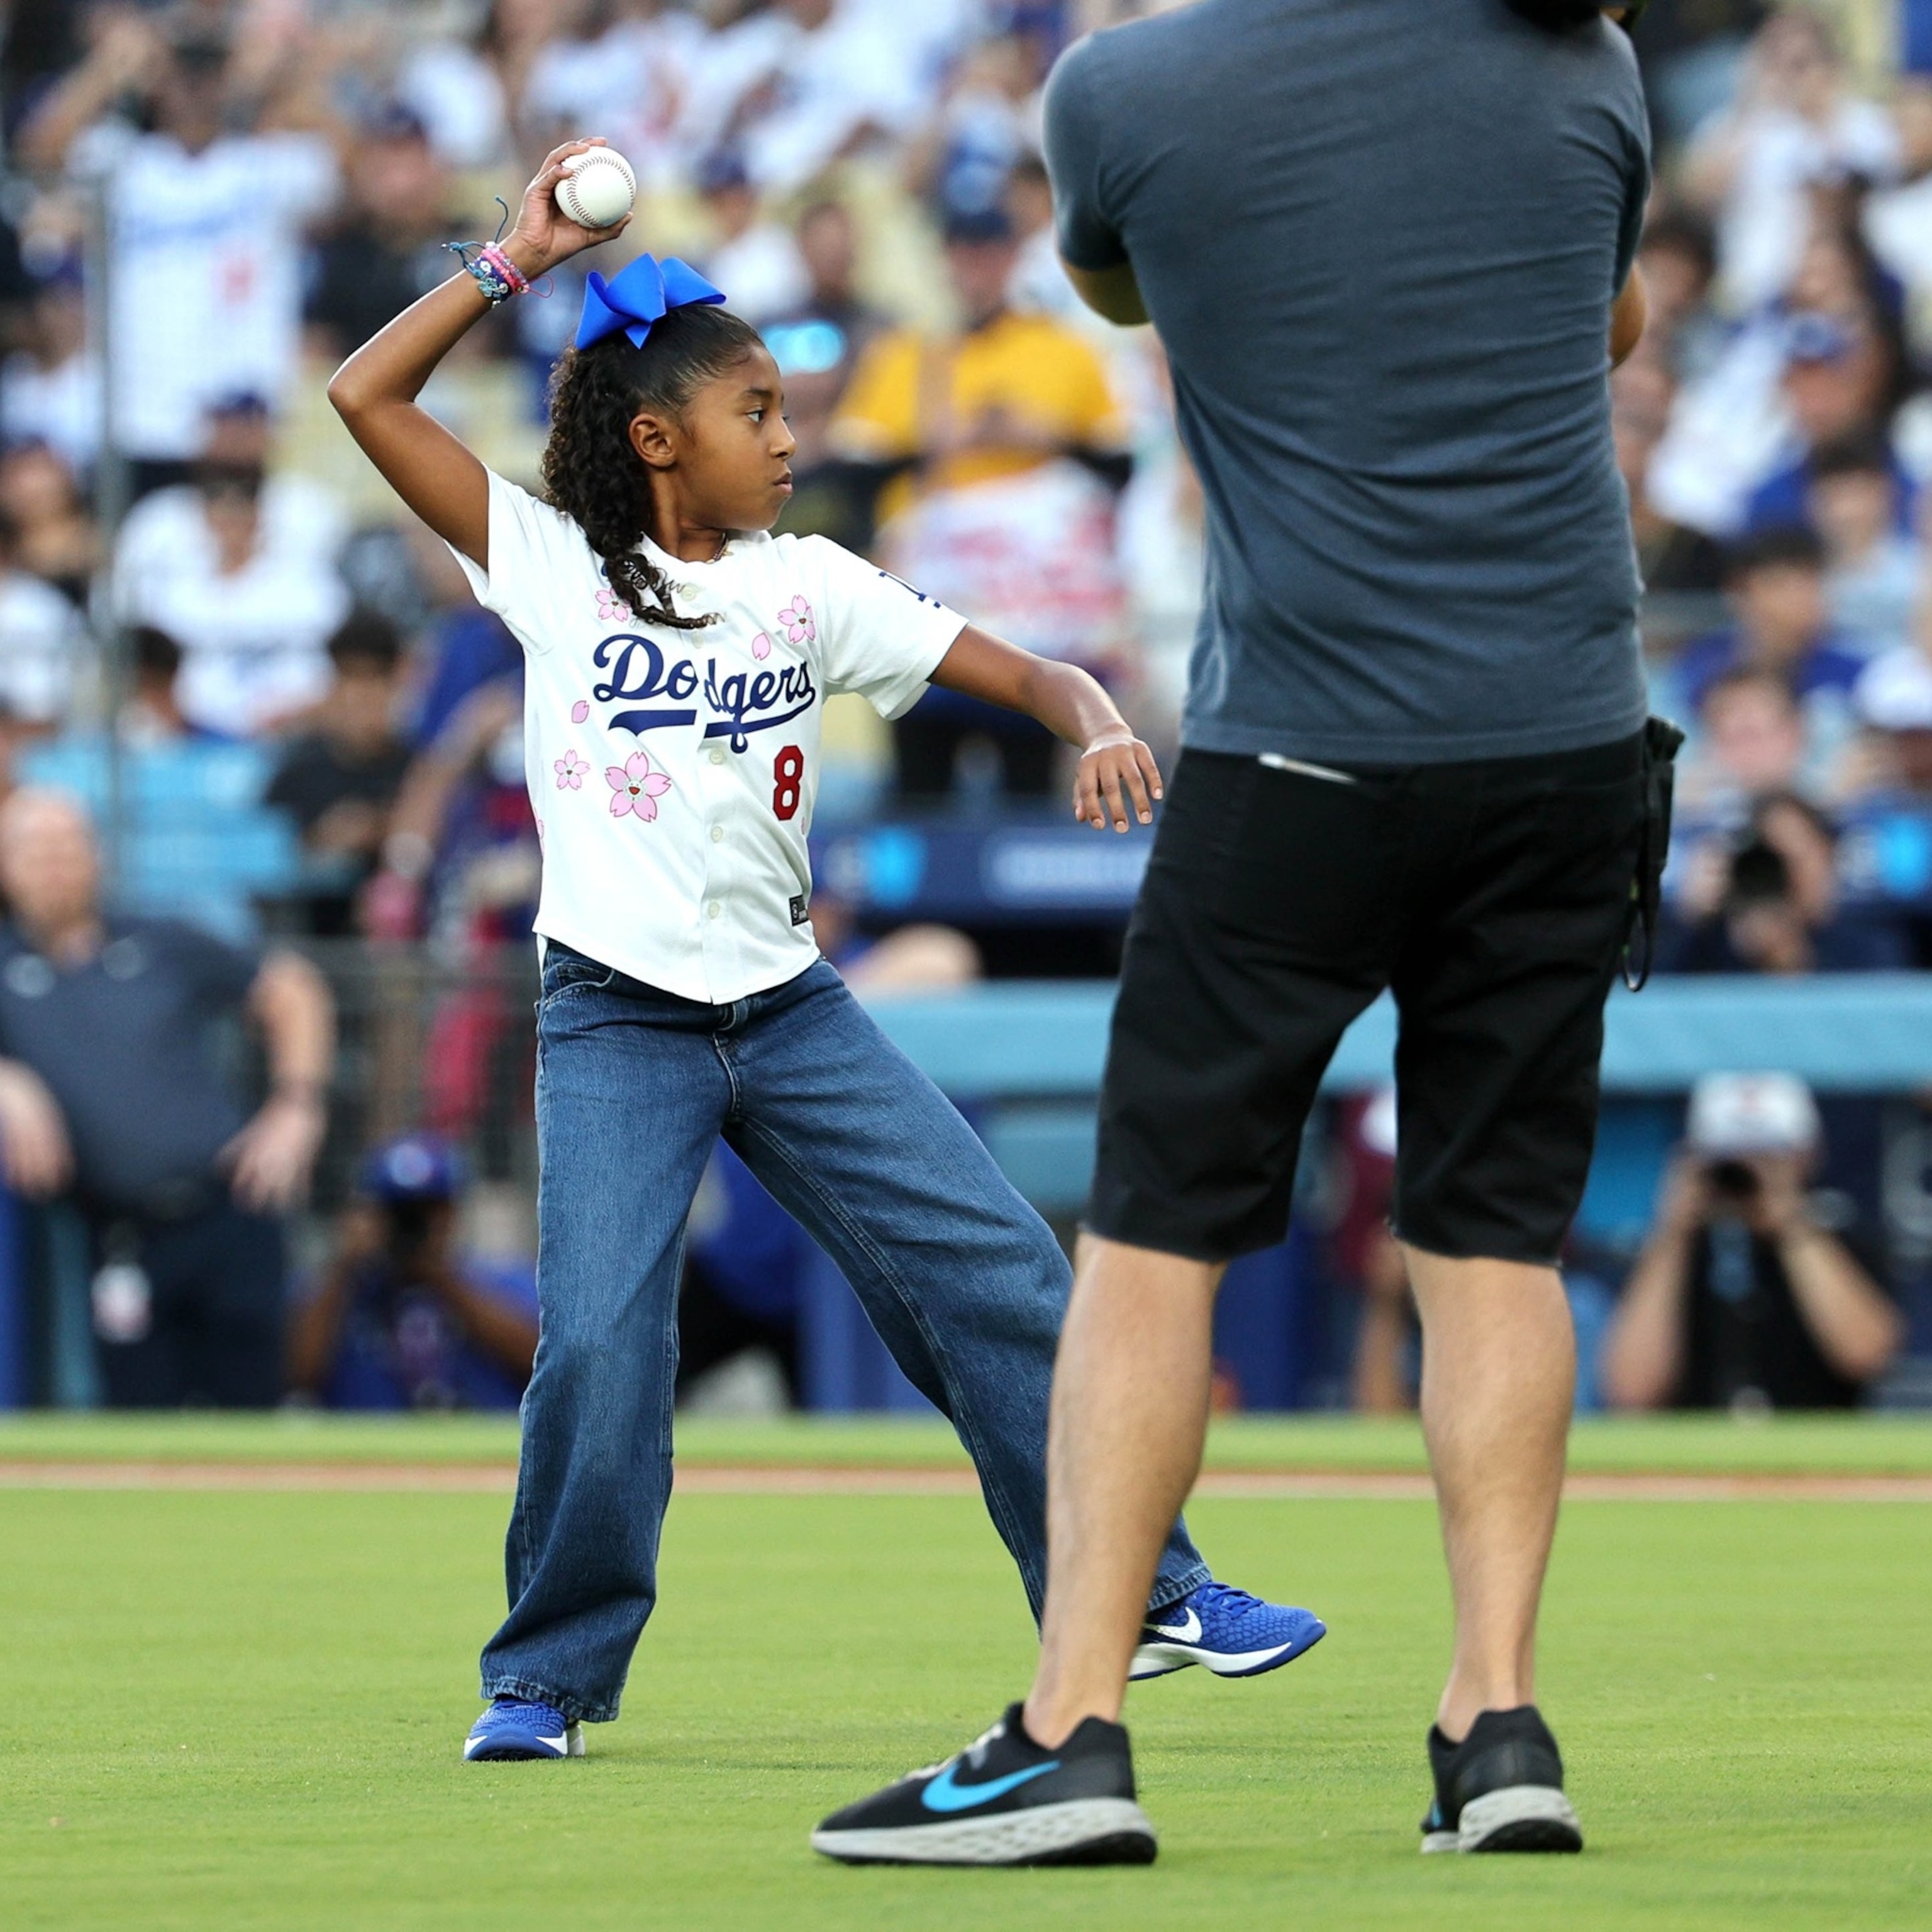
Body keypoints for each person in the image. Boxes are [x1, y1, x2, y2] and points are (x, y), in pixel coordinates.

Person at [326, 136, 1319, 1767]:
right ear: (658, 440)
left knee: (1001, 1275)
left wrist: (1092, 715)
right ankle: (548, 1676)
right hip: (617, 1019)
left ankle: (1151, 1590)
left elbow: (1033, 671)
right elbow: (370, 403)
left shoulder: (808, 587)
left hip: (789, 1012)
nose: (792, 437)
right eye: (759, 414)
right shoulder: (554, 566)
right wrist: (511, 263)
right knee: (598, 1340)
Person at [823, 0, 1657, 1868]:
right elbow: (1600, 328)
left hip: (1309, 744)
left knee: (1154, 1236)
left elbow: (1125, 296)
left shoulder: (1126, 87)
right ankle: (1494, 1722)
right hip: (1568, 740)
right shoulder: (1581, 61)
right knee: (1488, 1237)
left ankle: (1070, 1733)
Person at [0, 790, 333, 1408]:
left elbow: (291, 987)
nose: (54, 864)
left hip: (230, 1201)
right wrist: (8, 1081)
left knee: (252, 1407)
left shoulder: (158, 940)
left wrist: (297, 1105)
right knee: (139, 1417)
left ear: (97, 857)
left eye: (67, 846)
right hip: (117, 1232)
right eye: (34, 849)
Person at [834, 204, 1133, 799]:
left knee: (1026, 781)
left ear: (1008, 259)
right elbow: (851, 476)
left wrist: (1049, 439)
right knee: (921, 784)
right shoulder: (908, 356)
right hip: (935, 597)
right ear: (945, 260)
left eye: (988, 253)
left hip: (1033, 610)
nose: (975, 268)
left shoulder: (1062, 350)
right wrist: (935, 448)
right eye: (962, 253)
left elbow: (1120, 466)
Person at [1601, 1074, 1902, 1411]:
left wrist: (1793, 1227)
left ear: (1808, 1154)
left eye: (1771, 1153)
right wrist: (1672, 1234)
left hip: (1814, 1452)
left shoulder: (1845, 1240)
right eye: (1729, 1153)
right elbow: (1630, 1392)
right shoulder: (1673, 1252)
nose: (1748, 1169)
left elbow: (1867, 1357)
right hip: (1695, 1456)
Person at [288, 1135, 539, 1411]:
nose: (413, 1225)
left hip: (476, 1449)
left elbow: (543, 1365)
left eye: (428, 1209)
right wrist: (345, 1265)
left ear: (452, 1212)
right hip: (368, 1449)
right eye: (400, 1211)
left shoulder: (499, 1280)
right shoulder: (338, 1290)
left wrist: (441, 1278)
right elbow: (297, 1376)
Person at [266, 611, 415, 936]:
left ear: (396, 681)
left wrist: (382, 829)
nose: (360, 694)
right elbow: (265, 866)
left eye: (374, 677)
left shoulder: (417, 770)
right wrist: (320, 842)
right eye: (348, 676)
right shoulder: (298, 769)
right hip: (313, 944)